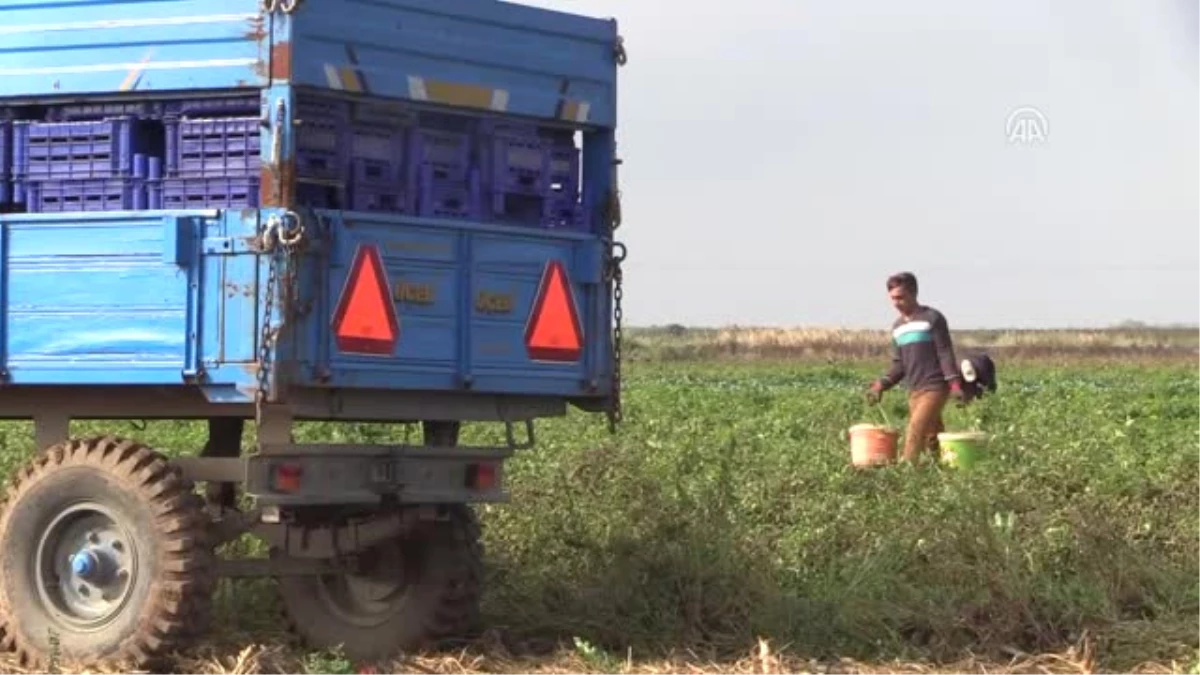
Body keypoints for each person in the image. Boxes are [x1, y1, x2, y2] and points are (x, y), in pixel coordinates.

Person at [865, 272, 964, 463]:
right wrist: (880, 385)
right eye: (893, 298)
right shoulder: (898, 327)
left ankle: (907, 471)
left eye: (901, 297)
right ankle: (944, 468)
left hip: (935, 386)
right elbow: (899, 365)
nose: (896, 303)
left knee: (915, 429)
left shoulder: (932, 318)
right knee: (931, 434)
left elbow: (945, 353)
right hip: (914, 389)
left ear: (914, 293)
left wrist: (954, 385)